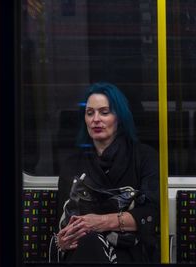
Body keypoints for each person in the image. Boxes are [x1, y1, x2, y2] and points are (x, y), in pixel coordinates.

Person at [55, 82, 160, 263]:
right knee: (88, 243)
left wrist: (100, 222)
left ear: (119, 117)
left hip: (131, 249)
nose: (96, 119)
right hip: (80, 248)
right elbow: (64, 220)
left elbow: (151, 214)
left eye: (104, 112)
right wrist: (61, 241)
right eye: (90, 113)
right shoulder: (72, 164)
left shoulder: (144, 157)